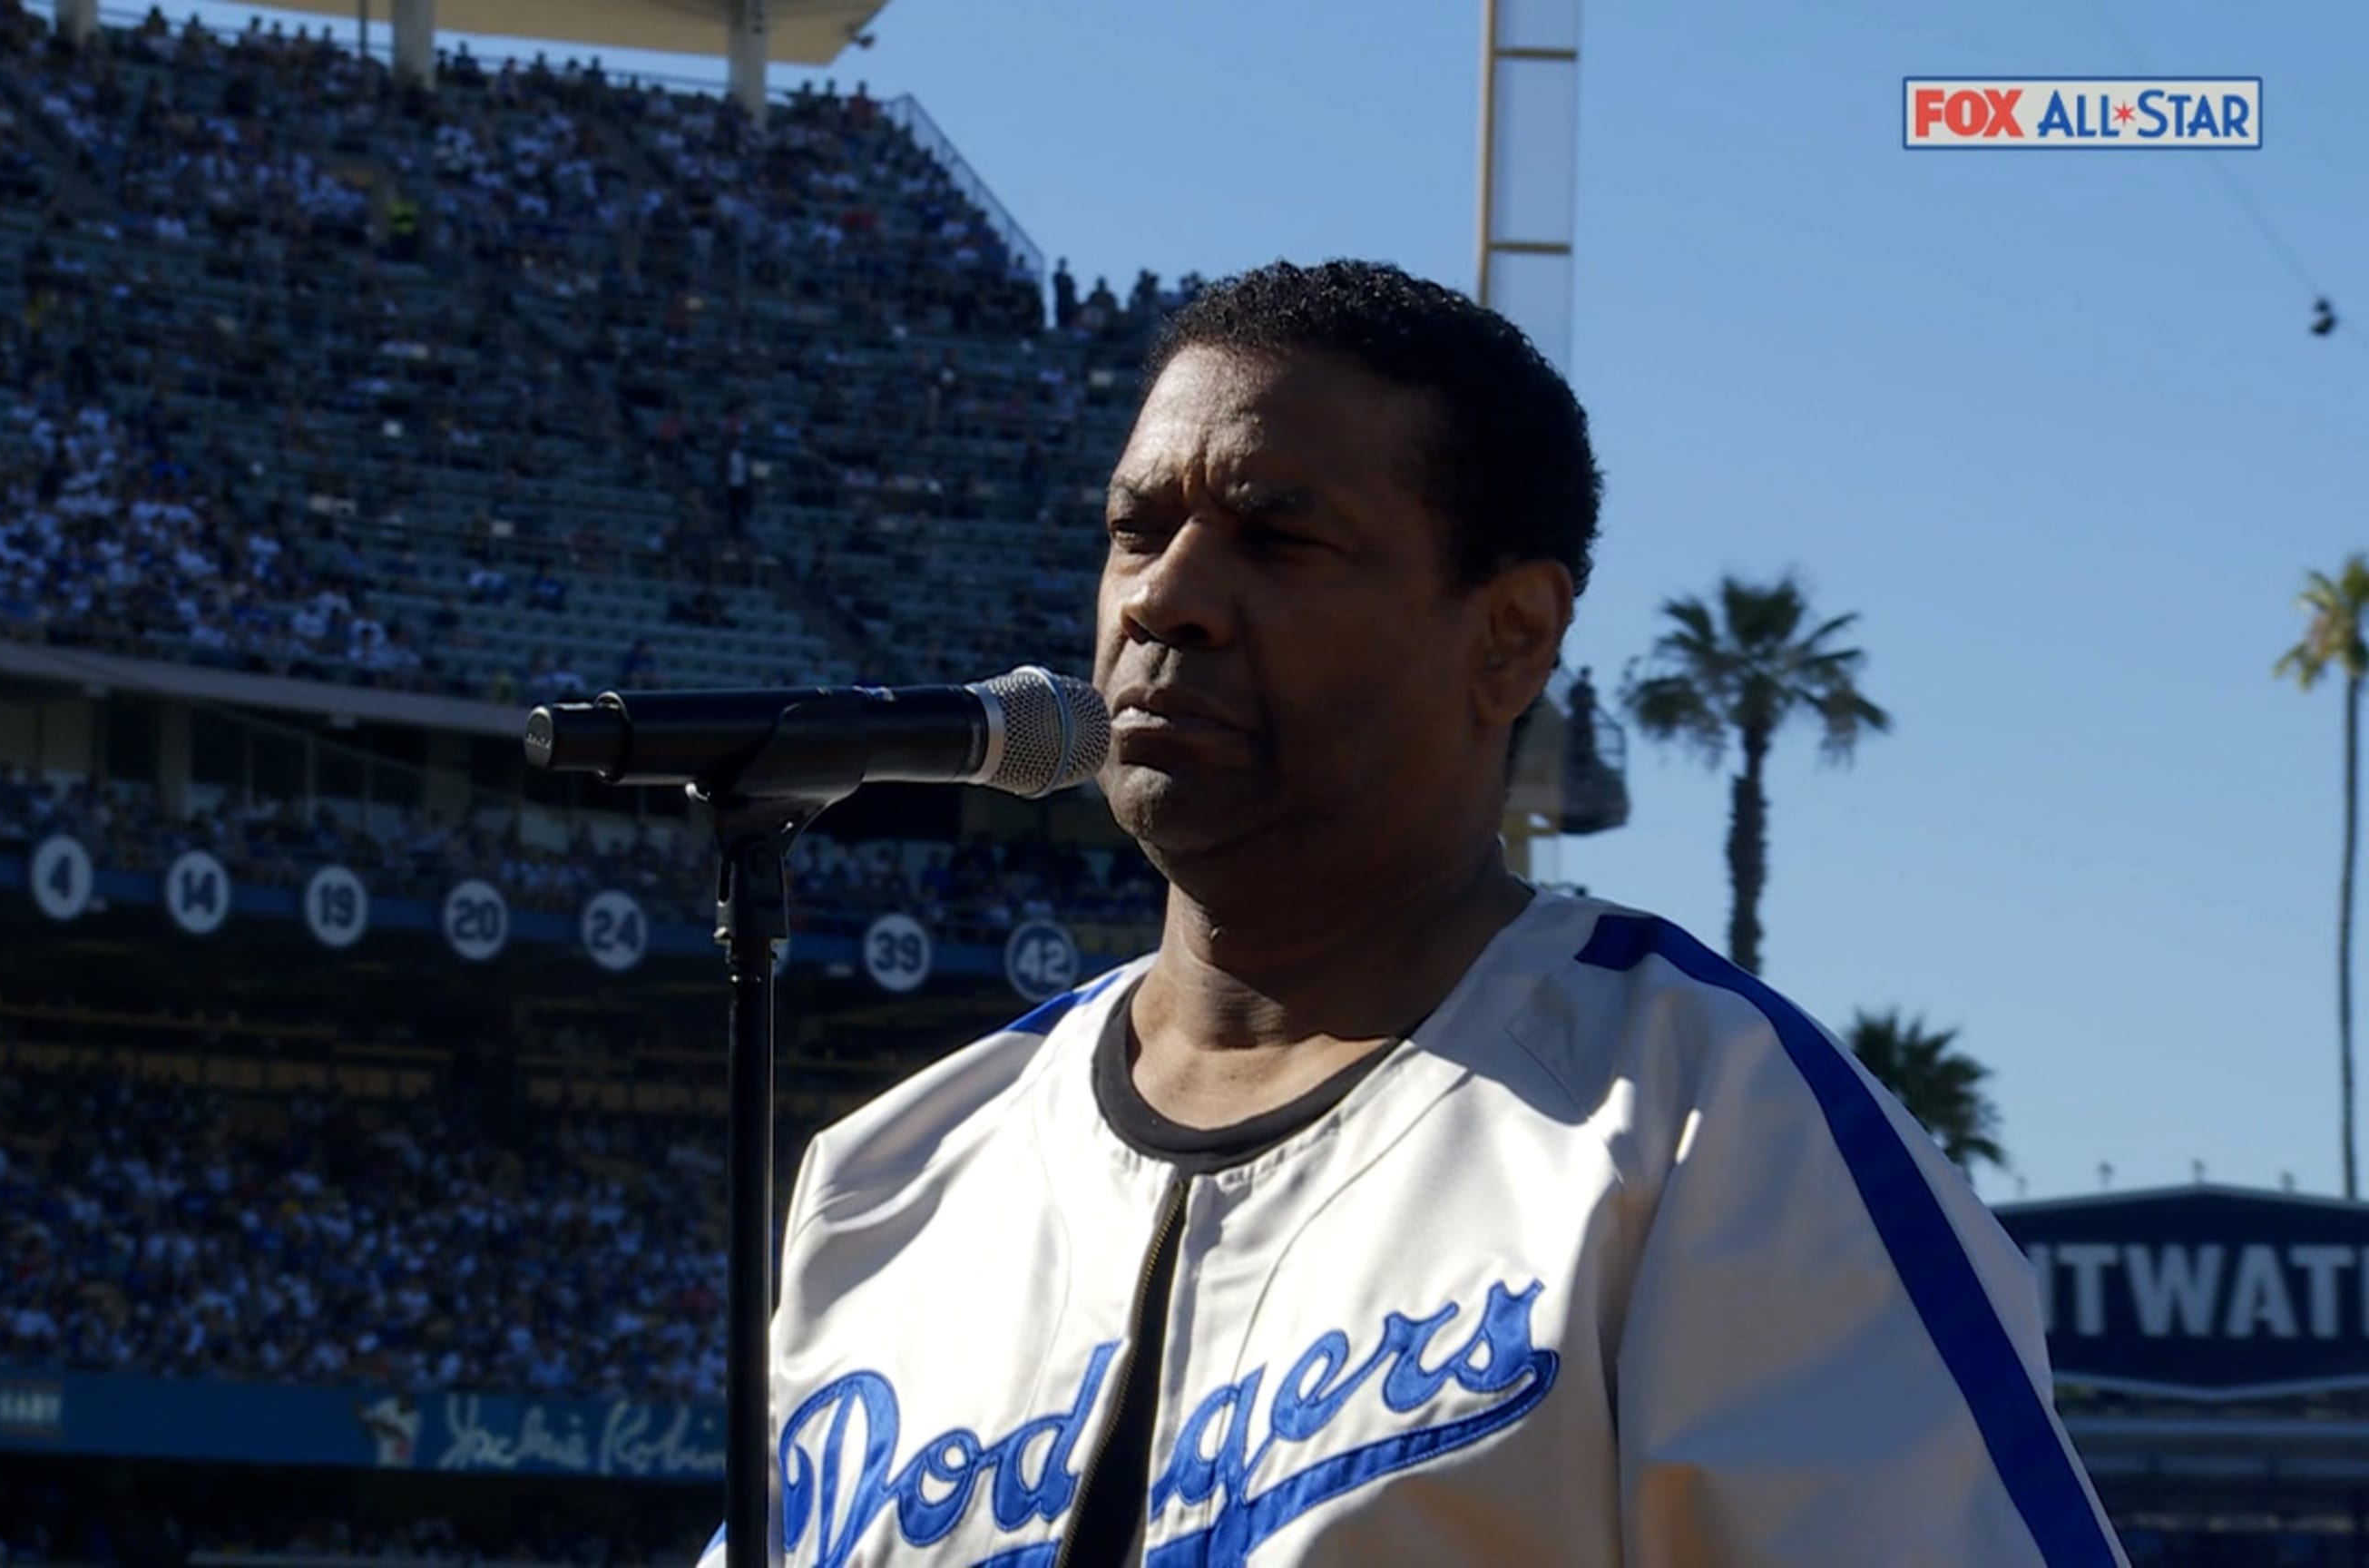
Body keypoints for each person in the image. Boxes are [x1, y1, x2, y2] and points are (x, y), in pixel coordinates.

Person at [696, 260, 2124, 1567]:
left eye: (1279, 538)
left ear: (1509, 637)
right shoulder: (887, 1176)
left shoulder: (1706, 1131)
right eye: (1138, 531)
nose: (1169, 598)